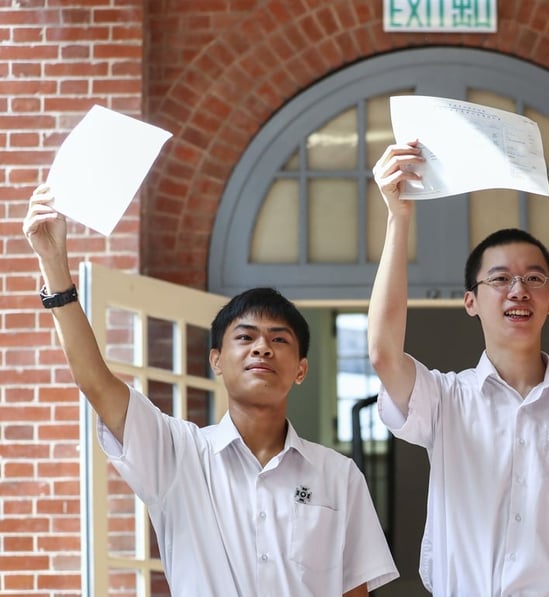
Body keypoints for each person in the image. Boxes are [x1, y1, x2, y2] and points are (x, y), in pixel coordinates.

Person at [23, 185, 398, 597]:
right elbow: (95, 382)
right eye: (246, 337)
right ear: (216, 360)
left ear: (301, 370)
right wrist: (54, 266)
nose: (262, 347)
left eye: (279, 339)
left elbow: (354, 592)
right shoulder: (177, 455)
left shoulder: (337, 475)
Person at [367, 141, 549, 597]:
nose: (518, 290)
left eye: (534, 278)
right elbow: (384, 355)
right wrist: (398, 217)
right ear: (471, 301)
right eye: (500, 278)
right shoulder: (446, 400)